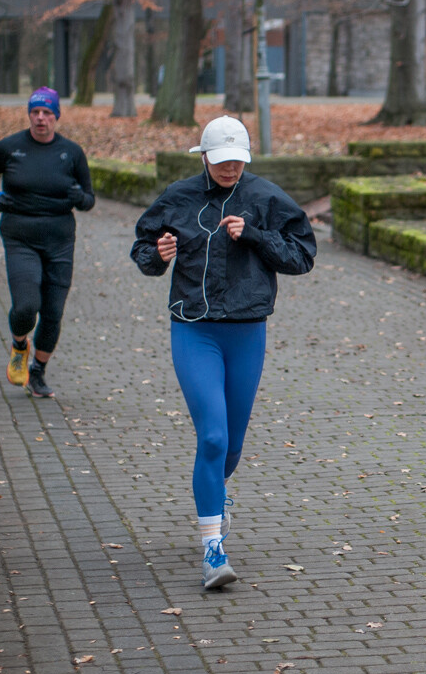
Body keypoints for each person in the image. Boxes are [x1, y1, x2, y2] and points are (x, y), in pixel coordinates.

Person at [130, 116, 316, 590]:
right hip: (195, 331)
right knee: (212, 438)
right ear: (205, 157)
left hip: (247, 332)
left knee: (231, 446)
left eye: (238, 160)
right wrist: (158, 255)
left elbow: (302, 258)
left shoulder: (267, 199)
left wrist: (254, 235)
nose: (231, 168)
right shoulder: (178, 197)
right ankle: (213, 549)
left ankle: (216, 494)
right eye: (222, 160)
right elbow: (143, 250)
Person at [0, 87, 95, 398]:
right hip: (19, 235)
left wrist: (79, 198)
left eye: (47, 113)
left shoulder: (72, 152)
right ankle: (19, 345)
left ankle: (38, 372)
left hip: (60, 239)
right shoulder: (10, 147)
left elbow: (89, 199)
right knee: (28, 306)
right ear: (29, 114)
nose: (41, 118)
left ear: (56, 116)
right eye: (35, 112)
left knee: (53, 312)